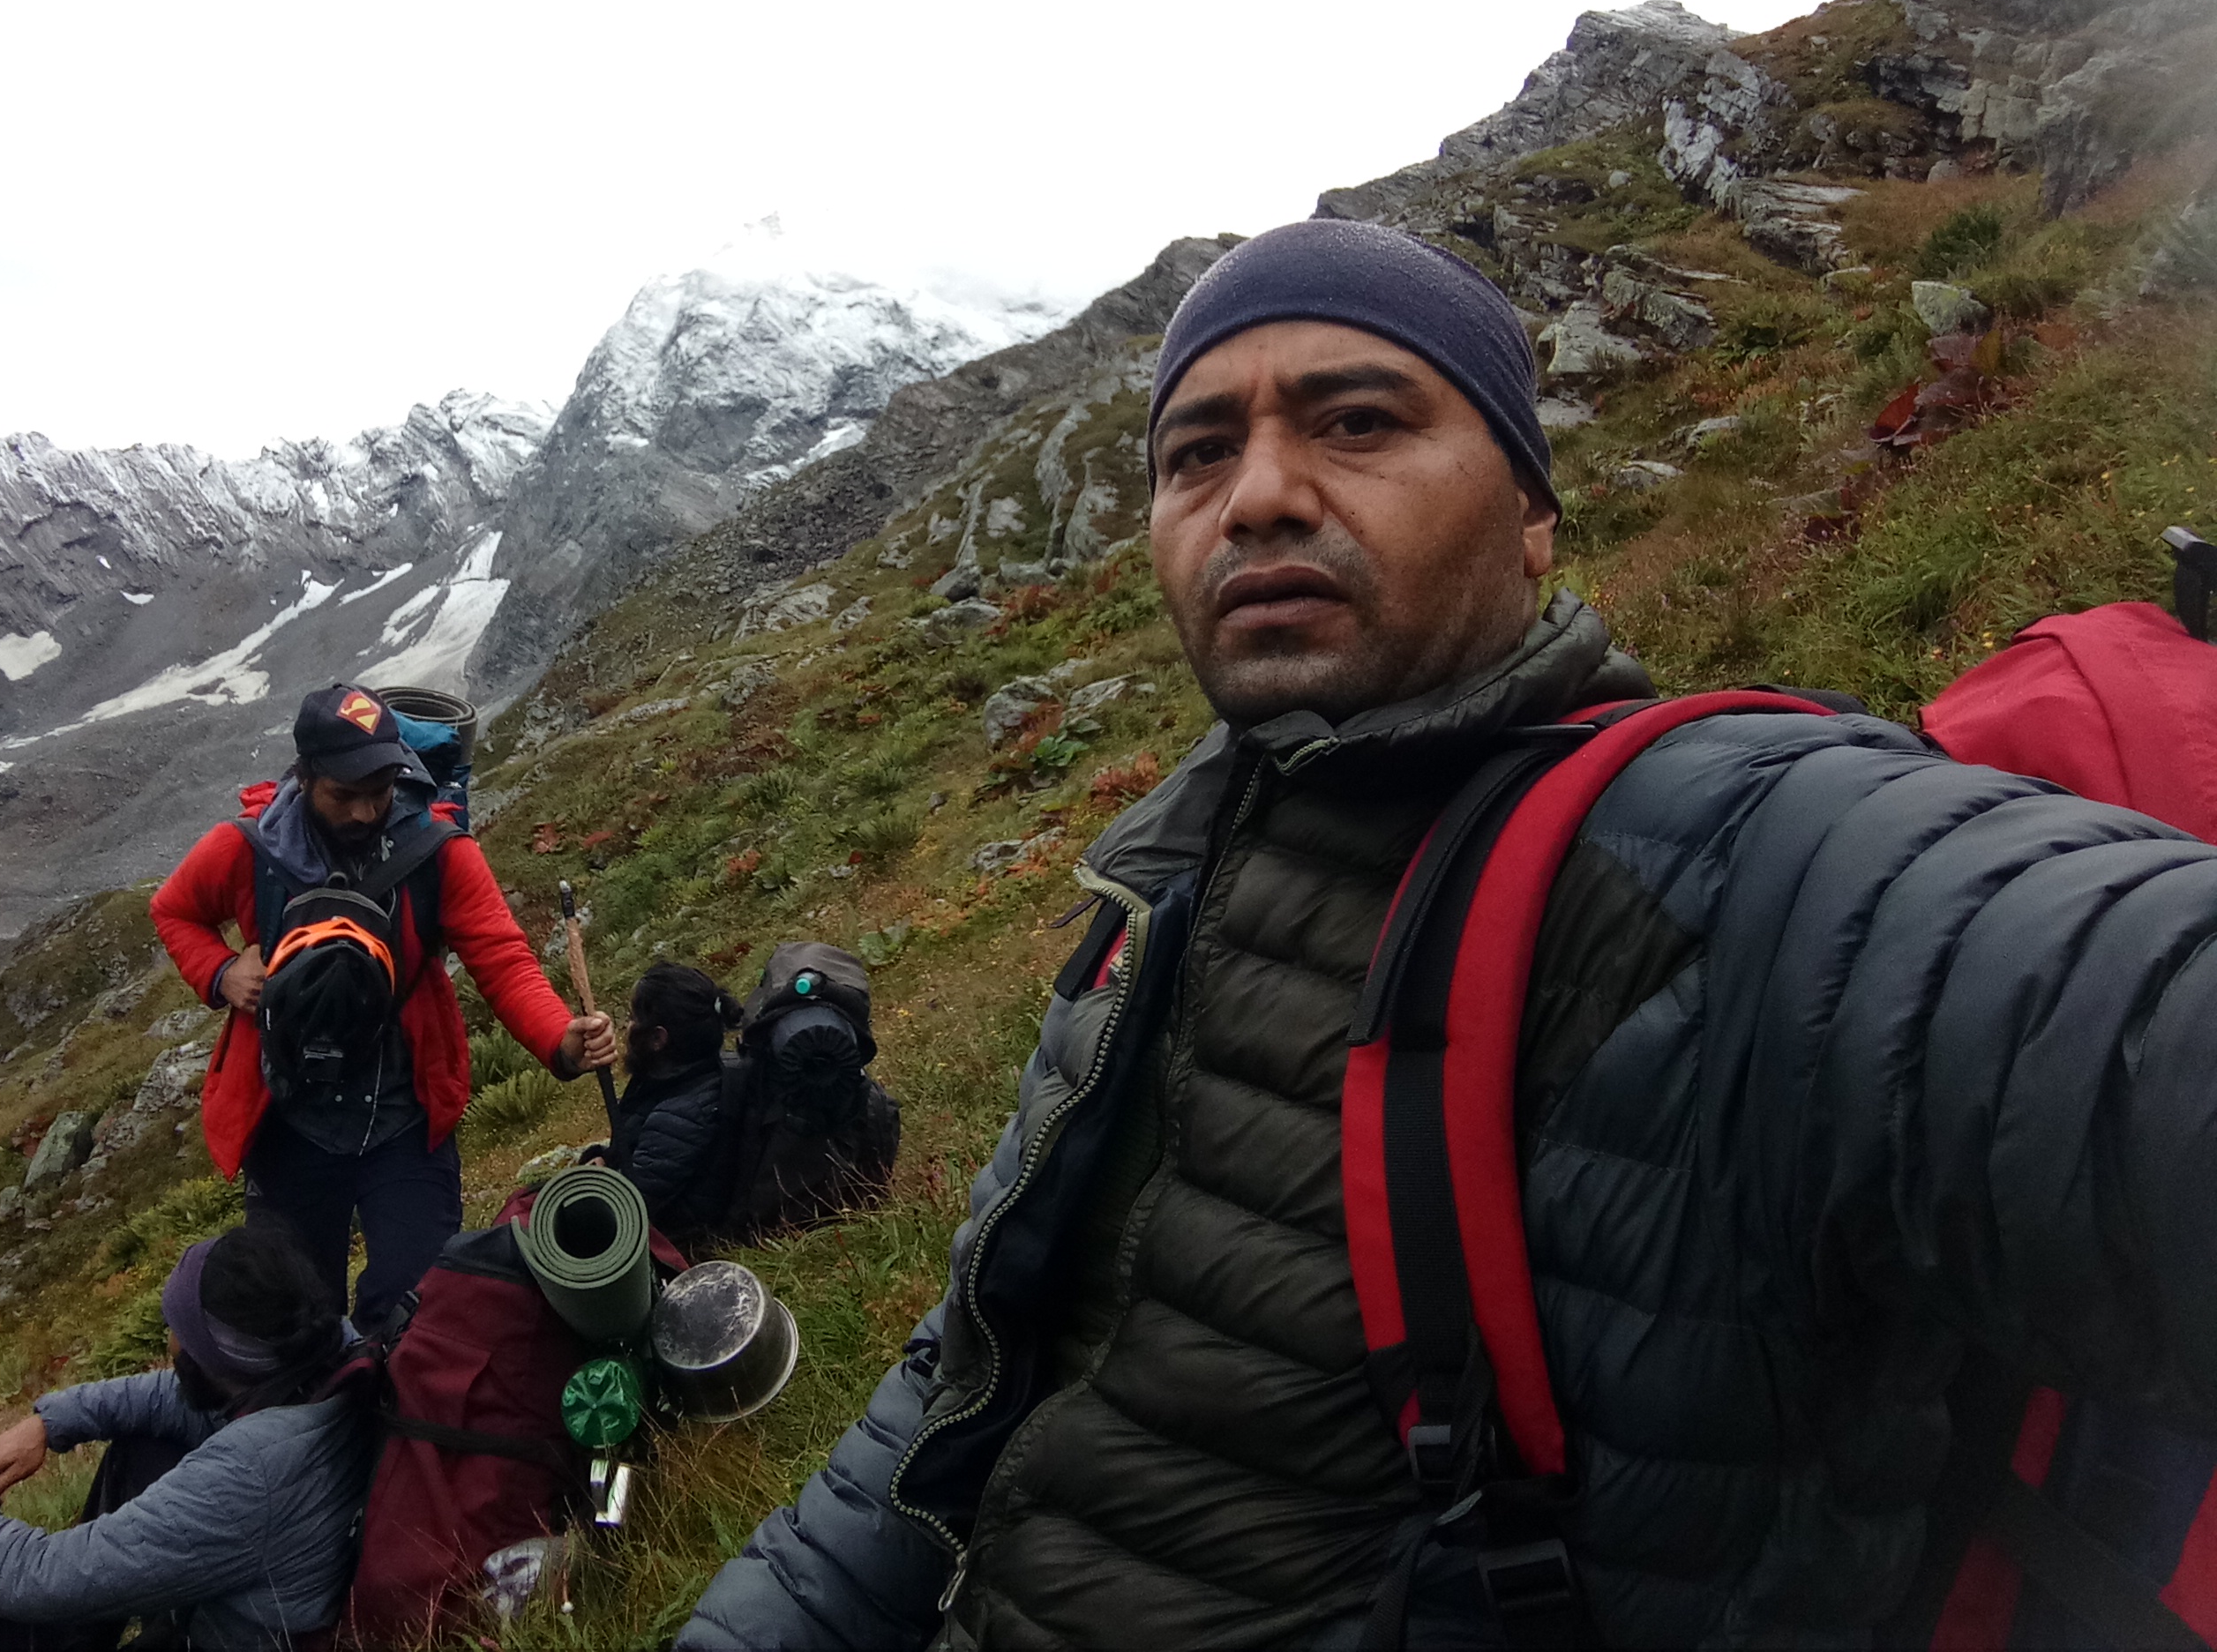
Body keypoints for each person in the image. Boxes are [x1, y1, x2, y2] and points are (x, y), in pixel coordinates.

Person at [680, 219, 2217, 1649]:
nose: (1258, 493)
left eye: (1357, 421)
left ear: (1533, 518)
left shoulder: (1749, 853)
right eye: (1193, 452)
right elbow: (975, 1365)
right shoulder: (1168, 868)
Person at [154, 684, 616, 1325]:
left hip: (404, 1117)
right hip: (287, 1126)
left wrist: (560, 1040)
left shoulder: (439, 852)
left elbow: (503, 959)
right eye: (345, 796)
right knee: (297, 1317)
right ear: (305, 774)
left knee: (415, 1306)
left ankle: (398, 1413)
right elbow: (173, 911)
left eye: (379, 792)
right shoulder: (247, 848)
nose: (367, 812)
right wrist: (222, 971)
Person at [0, 1222, 367, 1652]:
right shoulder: (328, 1357)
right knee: (146, 1443)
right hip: (253, 1606)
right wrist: (49, 1423)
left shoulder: (248, 1475)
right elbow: (171, 1396)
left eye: (178, 1328)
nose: (169, 1342)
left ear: (219, 1358)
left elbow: (44, 1575)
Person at [602, 961, 745, 1243]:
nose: (627, 1027)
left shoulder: (679, 1116)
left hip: (683, 1242)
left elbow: (627, 1213)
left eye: (633, 1018)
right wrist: (606, 1159)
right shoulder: (689, 1077)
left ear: (657, 1038)